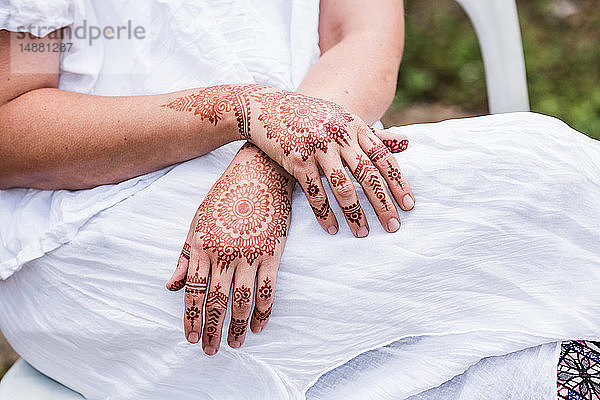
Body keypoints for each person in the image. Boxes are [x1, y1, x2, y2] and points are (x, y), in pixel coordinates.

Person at [1, 1, 599, 399]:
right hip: (106, 217)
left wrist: (273, 156)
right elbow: (12, 126)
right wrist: (247, 110)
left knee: (499, 364)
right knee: (543, 171)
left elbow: (358, 33)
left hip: (320, 158)